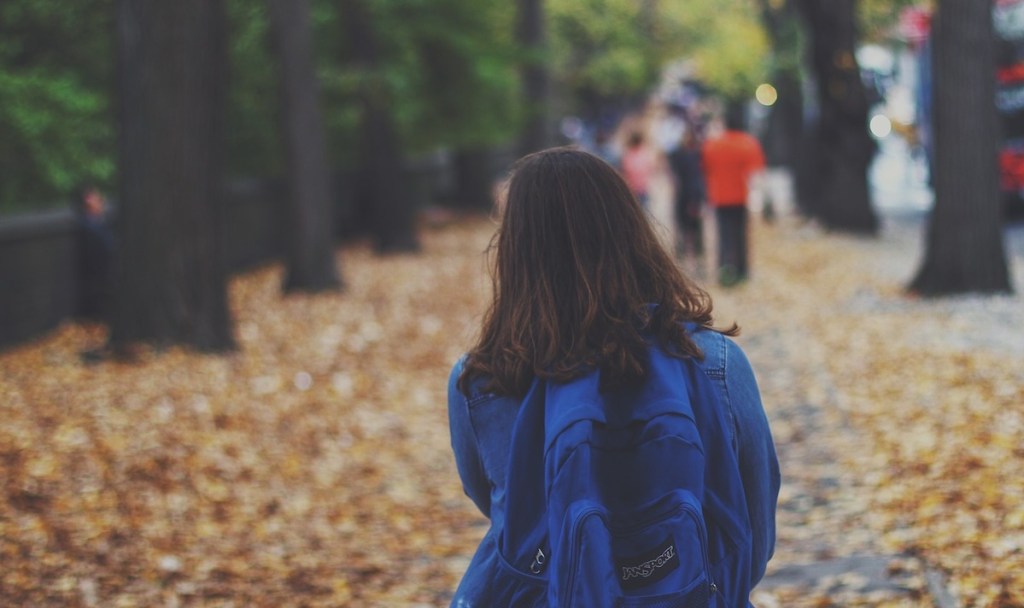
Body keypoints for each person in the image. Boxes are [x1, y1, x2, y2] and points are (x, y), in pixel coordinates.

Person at [447, 147, 780, 606]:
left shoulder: (482, 380)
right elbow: (753, 534)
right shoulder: (715, 362)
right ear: (633, 232)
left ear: (514, 251)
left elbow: (502, 509)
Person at [701, 106, 765, 286]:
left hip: (720, 196)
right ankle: (742, 270)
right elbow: (755, 173)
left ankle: (724, 269)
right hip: (740, 196)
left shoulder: (713, 144)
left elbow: (706, 169)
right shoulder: (748, 143)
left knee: (723, 235)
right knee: (740, 235)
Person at [71, 184, 115, 321]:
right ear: (88, 201)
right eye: (98, 199)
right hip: (97, 278)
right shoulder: (89, 226)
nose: (101, 202)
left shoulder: (99, 223)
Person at [668, 126, 707, 266]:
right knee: (684, 226)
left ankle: (695, 256)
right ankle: (685, 254)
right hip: (684, 195)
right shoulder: (682, 154)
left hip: (692, 195)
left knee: (693, 227)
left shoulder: (697, 154)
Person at [620, 131, 657, 209]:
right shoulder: (645, 154)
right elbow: (651, 168)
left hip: (633, 188)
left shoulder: (627, 155)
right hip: (641, 188)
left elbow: (624, 171)